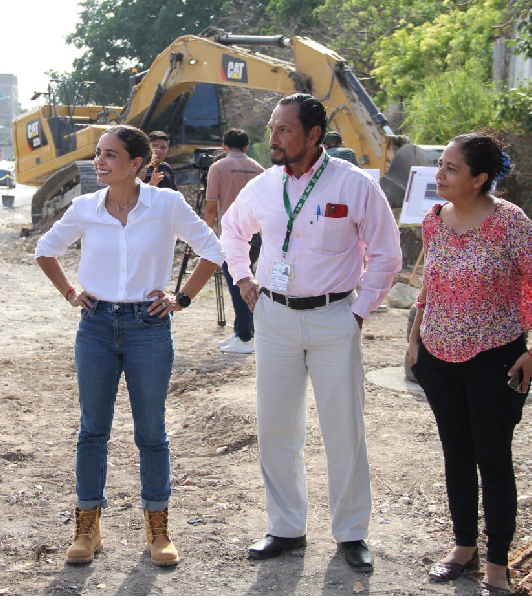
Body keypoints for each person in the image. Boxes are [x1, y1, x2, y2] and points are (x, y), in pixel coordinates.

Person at [221, 93, 402, 572]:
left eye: (284, 129)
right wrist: (243, 278)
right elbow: (231, 230)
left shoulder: (354, 185)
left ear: (313, 136)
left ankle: (351, 533)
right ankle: (285, 527)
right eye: (273, 127)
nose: (273, 137)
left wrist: (359, 312)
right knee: (276, 425)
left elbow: (386, 252)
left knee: (344, 427)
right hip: (275, 317)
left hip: (333, 318)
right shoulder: (263, 186)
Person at [35, 124, 224, 567]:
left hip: (148, 327)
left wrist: (182, 298)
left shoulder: (166, 204)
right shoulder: (85, 207)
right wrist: (70, 292)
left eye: (110, 155)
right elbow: (46, 250)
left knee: (151, 433)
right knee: (92, 430)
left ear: (137, 164)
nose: (99, 161)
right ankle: (87, 527)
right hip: (96, 326)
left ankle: (158, 529)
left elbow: (213, 251)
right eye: (98, 153)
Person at [408, 132, 527, 596]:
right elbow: (430, 284)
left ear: (480, 179)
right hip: (438, 358)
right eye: (441, 165)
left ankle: (497, 560)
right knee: (455, 453)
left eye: (451, 169)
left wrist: (531, 351)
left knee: (493, 458)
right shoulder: (434, 220)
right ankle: (463, 547)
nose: (439, 175)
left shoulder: (510, 223)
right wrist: (415, 340)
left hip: (495, 358)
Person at [203, 128, 265, 354]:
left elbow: (211, 206)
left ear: (224, 146)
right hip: (255, 236)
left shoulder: (217, 168)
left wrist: (206, 235)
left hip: (230, 236)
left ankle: (246, 336)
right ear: (246, 147)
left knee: (238, 285)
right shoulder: (259, 169)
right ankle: (242, 332)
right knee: (249, 282)